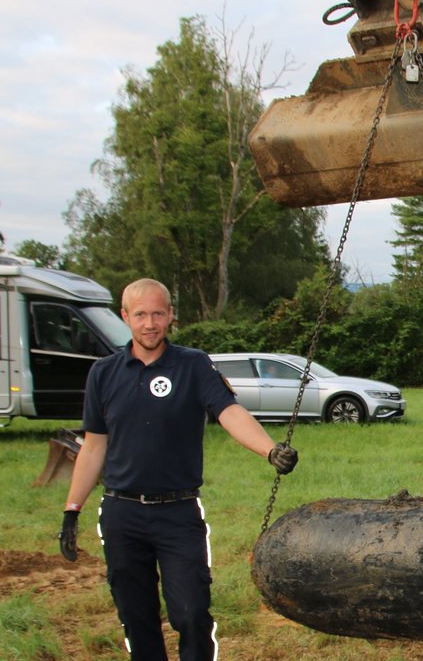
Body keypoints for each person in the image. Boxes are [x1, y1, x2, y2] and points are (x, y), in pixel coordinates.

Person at [58, 278, 298, 661]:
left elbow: (229, 413)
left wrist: (270, 450)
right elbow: (94, 446)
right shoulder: (103, 373)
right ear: (125, 317)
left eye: (157, 313)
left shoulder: (193, 365)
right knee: (136, 619)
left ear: (171, 315)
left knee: (190, 612)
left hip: (178, 512)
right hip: (122, 513)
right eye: (140, 315)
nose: (149, 323)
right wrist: (72, 510)